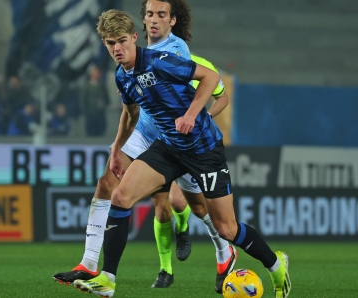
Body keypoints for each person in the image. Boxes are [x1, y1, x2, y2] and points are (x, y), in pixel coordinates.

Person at [72, 10, 291, 298]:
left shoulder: (160, 62)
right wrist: (116, 148)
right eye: (110, 43)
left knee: (227, 228)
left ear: (135, 38)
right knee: (120, 196)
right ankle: (108, 279)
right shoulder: (122, 76)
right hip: (169, 146)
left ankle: (277, 266)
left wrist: (191, 114)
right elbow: (129, 112)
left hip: (204, 148)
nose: (117, 49)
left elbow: (210, 78)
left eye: (122, 41)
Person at [53, 0, 235, 292]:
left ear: (172, 20)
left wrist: (196, 119)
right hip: (145, 130)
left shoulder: (176, 51)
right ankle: (89, 263)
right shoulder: (131, 58)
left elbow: (206, 89)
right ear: (142, 21)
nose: (154, 20)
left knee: (196, 206)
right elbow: (131, 106)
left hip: (174, 136)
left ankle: (224, 250)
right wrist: (128, 77)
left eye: (161, 15)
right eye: (149, 14)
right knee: (108, 185)